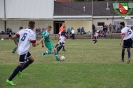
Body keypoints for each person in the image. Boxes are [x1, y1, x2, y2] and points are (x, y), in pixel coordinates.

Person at [6, 21, 37, 85]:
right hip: (24, 50)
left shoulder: (22, 30)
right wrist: (37, 44)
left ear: (28, 25)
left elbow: (14, 37)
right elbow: (33, 45)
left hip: (21, 49)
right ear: (34, 26)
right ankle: (9, 79)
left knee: (31, 60)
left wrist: (16, 43)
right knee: (21, 65)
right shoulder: (33, 33)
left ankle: (20, 70)